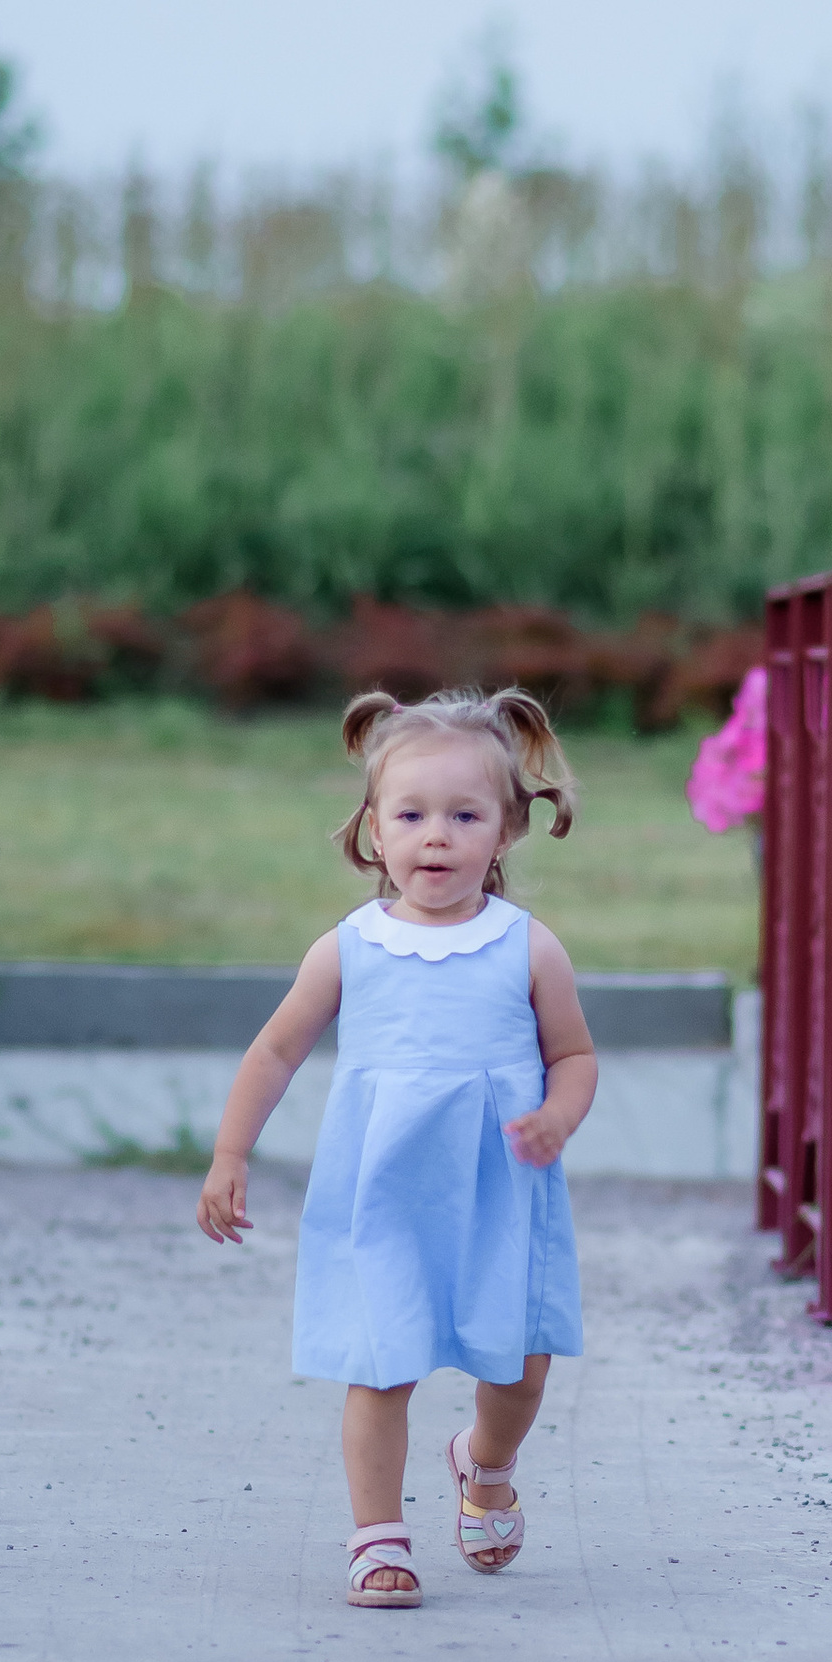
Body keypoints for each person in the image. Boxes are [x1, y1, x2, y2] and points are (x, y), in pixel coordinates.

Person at [195, 686, 597, 1607]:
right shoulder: (350, 949)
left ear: (505, 832)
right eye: (411, 814)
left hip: (501, 1196)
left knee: (519, 1372)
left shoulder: (529, 948)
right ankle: (378, 1538)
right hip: (383, 1199)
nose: (437, 836)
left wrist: (559, 1116)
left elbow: (573, 1055)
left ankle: (483, 1463)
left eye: (464, 815)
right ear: (374, 830)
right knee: (382, 1366)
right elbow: (277, 1049)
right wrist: (230, 1152)